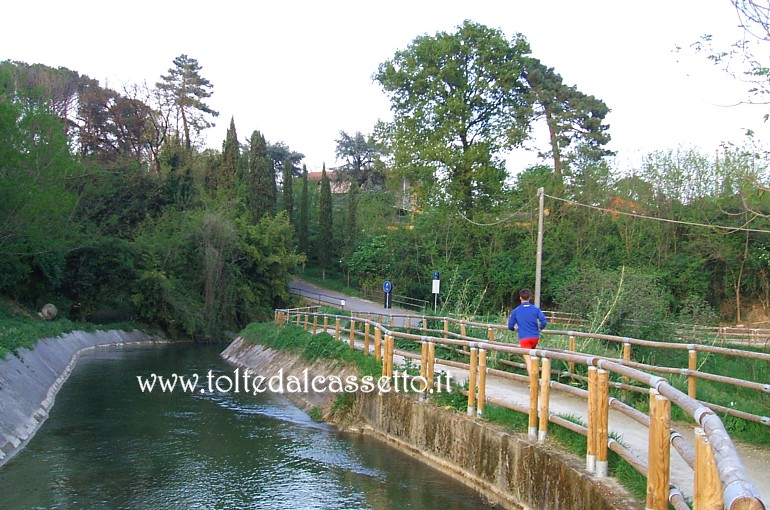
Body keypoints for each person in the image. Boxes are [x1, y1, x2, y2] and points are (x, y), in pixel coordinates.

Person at [507, 288, 547, 375]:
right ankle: (536, 378)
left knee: (528, 360)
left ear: (520, 297)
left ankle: (533, 381)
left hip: (524, 337)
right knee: (533, 358)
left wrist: (515, 329)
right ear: (530, 297)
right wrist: (540, 328)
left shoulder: (516, 311)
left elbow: (510, 326)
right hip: (535, 337)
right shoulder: (536, 309)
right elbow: (544, 321)